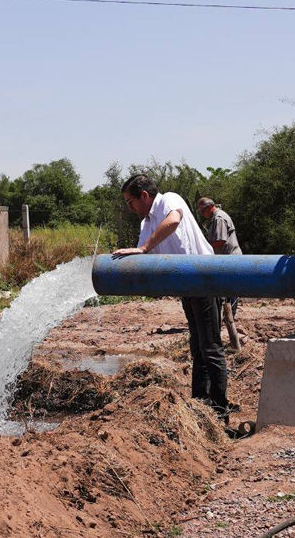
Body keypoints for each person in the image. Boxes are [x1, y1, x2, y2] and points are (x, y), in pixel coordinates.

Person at [114, 174, 228, 419]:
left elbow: (174, 220)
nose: (130, 207)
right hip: (186, 286)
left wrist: (144, 248)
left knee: (211, 347)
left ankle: (220, 413)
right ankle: (200, 406)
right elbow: (142, 254)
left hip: (204, 278)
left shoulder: (169, 200)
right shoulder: (146, 224)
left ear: (144, 195)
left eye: (129, 201)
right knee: (198, 347)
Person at [197, 197, 242, 318]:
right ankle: (227, 317)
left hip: (230, 259)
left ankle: (229, 317)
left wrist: (204, 247)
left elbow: (220, 241)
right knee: (225, 290)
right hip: (226, 259)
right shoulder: (217, 218)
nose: (202, 214)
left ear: (209, 207)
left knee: (230, 290)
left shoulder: (219, 218)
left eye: (202, 211)